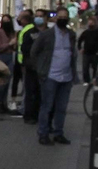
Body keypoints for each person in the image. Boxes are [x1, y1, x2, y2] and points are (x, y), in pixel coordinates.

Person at [29, 8, 80, 145]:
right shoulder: (47, 35)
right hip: (50, 76)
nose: (63, 19)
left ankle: (59, 133)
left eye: (65, 16)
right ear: (56, 18)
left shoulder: (71, 35)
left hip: (66, 77)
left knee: (62, 108)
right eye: (60, 16)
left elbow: (73, 54)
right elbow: (34, 52)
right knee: (47, 106)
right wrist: (39, 70)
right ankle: (43, 133)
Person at [20, 12, 47, 124]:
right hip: (31, 67)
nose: (38, 18)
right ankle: (29, 115)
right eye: (37, 16)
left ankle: (39, 115)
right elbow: (24, 48)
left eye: (41, 16)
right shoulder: (30, 33)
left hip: (45, 68)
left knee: (42, 93)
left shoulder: (49, 33)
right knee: (30, 91)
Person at [0, 14, 16, 113]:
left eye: (8, 21)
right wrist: (9, 44)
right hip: (1, 57)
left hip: (10, 57)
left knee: (7, 81)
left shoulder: (12, 33)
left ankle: (4, 102)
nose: (6, 23)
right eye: (4, 21)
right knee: (1, 82)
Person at [78, 16, 98, 84]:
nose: (90, 23)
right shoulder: (86, 32)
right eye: (89, 22)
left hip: (95, 53)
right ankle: (86, 80)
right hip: (86, 52)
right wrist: (80, 48)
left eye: (92, 22)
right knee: (85, 67)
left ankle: (94, 79)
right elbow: (80, 40)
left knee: (95, 67)